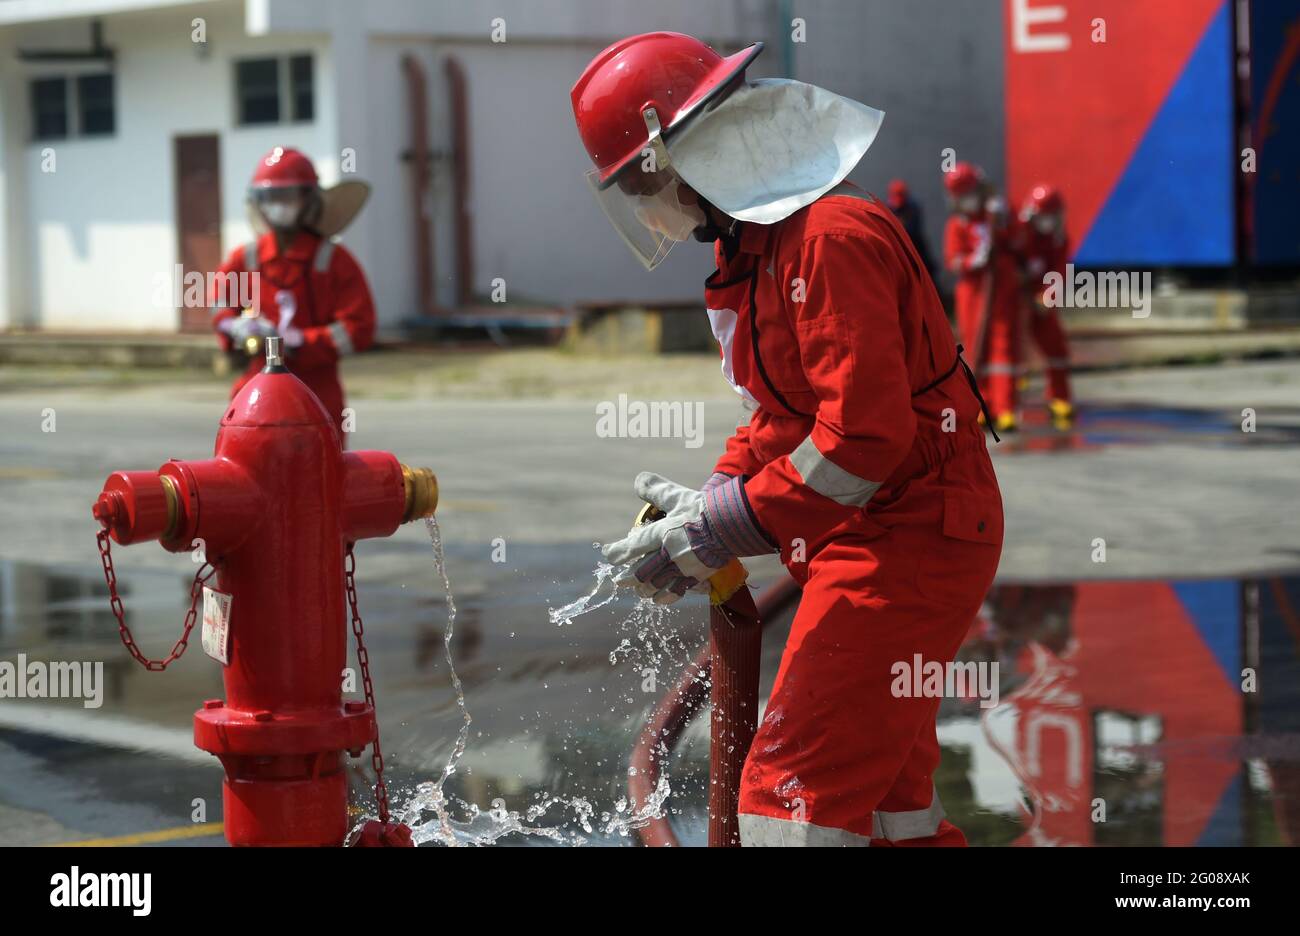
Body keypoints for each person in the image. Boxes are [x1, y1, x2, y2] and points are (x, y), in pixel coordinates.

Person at [574, 32, 1003, 846]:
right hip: (880, 536)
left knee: (785, 796)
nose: (643, 204)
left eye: (639, 182)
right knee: (888, 807)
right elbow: (784, 420)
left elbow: (860, 442)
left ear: (678, 154)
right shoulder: (766, 247)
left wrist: (720, 527)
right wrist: (709, 502)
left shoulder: (828, 240)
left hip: (910, 537)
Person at [209, 147, 375, 439]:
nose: (279, 205)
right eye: (271, 198)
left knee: (318, 480)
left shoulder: (334, 261)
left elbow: (358, 328)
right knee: (250, 477)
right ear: (258, 202)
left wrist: (300, 341)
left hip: (316, 396)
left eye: (287, 197)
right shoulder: (245, 258)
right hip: (254, 397)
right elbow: (218, 303)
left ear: (309, 199)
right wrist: (235, 327)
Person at [942, 163, 1022, 434]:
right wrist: (973, 259)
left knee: (1003, 348)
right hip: (973, 294)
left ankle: (1005, 407)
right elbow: (953, 261)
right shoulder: (957, 224)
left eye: (971, 193)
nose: (968, 200)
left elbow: (1017, 242)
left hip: (1000, 290)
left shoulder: (997, 214)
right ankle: (981, 405)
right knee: (976, 348)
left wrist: (1002, 221)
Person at [1017, 184, 1074, 427]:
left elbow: (1059, 272)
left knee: (1056, 349)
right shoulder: (1019, 233)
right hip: (1016, 301)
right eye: (1044, 216)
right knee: (1007, 353)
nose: (1048, 221)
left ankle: (1059, 398)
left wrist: (1046, 297)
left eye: (1052, 216)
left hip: (1041, 301)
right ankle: (1001, 403)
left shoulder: (1058, 240)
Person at [886, 179, 938, 283]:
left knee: (926, 272)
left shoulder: (913, 207)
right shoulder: (888, 208)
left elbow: (913, 230)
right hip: (897, 248)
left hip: (915, 245)